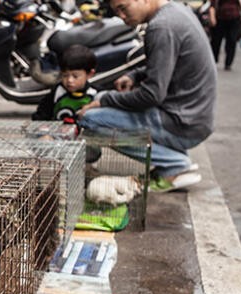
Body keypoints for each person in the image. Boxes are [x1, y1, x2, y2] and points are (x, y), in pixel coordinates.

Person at [77, 0, 217, 192]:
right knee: (101, 98)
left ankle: (175, 163)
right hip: (193, 118)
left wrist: (105, 100)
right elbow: (167, 63)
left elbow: (151, 95)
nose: (121, 16)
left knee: (91, 120)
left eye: (123, 8)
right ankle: (171, 155)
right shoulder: (175, 11)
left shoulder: (161, 26)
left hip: (182, 123)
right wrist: (134, 76)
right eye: (117, 11)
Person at [32, 44, 104, 122]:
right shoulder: (57, 92)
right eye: (65, 75)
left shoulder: (94, 93)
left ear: (90, 74)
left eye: (75, 76)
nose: (69, 80)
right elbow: (42, 113)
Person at [209, 0, 241, 70]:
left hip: (234, 19)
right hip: (220, 19)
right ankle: (213, 60)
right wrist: (212, 17)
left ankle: (228, 63)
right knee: (216, 41)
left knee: (232, 40)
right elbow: (212, 6)